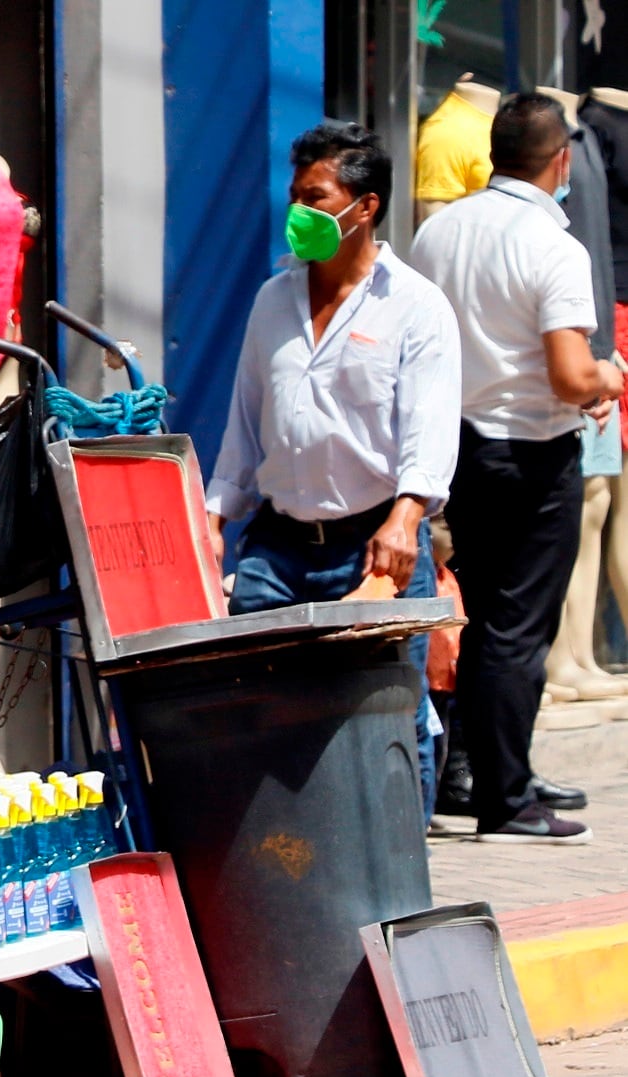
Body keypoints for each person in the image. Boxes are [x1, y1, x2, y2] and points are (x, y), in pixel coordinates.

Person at [205, 121, 460, 817]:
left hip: (374, 549)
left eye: (315, 198)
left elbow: (430, 432)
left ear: (364, 206)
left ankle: (399, 886)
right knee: (257, 710)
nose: (299, 214)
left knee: (388, 724)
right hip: (276, 551)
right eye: (294, 196)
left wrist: (406, 521)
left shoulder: (415, 307)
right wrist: (213, 517)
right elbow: (245, 425)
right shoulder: (270, 301)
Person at [411, 93, 621, 843]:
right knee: (515, 630)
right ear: (560, 160)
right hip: (531, 457)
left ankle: (483, 774)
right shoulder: (552, 245)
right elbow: (570, 375)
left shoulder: (439, 234)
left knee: (491, 618)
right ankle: (505, 800)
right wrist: (607, 377)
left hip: (460, 450)